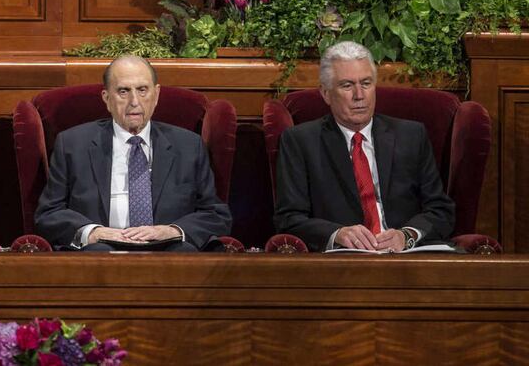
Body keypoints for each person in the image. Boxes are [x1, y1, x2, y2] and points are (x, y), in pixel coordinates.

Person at [35, 55, 231, 251]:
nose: (134, 101)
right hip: (101, 251)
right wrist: (93, 232)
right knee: (98, 253)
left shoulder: (188, 146)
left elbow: (215, 215)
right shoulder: (73, 144)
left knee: (183, 253)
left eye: (142, 90)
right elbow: (49, 214)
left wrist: (173, 231)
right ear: (107, 98)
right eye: (123, 91)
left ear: (156, 95)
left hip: (168, 250)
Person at [273, 41, 454, 252]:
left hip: (407, 256)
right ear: (326, 93)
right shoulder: (301, 141)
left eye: (366, 83)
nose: (359, 95)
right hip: (344, 260)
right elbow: (289, 218)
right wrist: (337, 233)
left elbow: (440, 210)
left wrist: (407, 235)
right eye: (347, 85)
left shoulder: (411, 135)